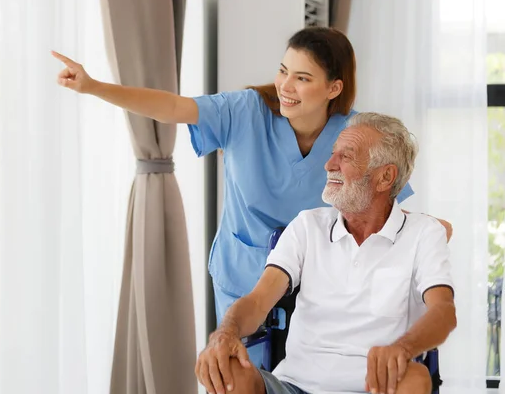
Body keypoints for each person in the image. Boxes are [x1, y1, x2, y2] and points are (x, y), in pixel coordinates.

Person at [52, 27, 452, 368]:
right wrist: (93, 87)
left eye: (302, 78)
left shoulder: (352, 136)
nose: (285, 86)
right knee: (238, 374)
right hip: (243, 275)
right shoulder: (245, 111)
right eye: (283, 71)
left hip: (317, 287)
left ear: (334, 87)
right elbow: (172, 107)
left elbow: (386, 201)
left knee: (305, 376)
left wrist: (427, 233)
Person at [195, 112, 457, 394]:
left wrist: (403, 348)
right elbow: (258, 301)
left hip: (375, 386)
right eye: (334, 154)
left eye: (346, 157)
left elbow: (444, 311)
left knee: (415, 378)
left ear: (385, 177)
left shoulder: (424, 233)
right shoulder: (307, 226)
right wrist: (226, 333)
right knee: (229, 372)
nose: (329, 165)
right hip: (293, 386)